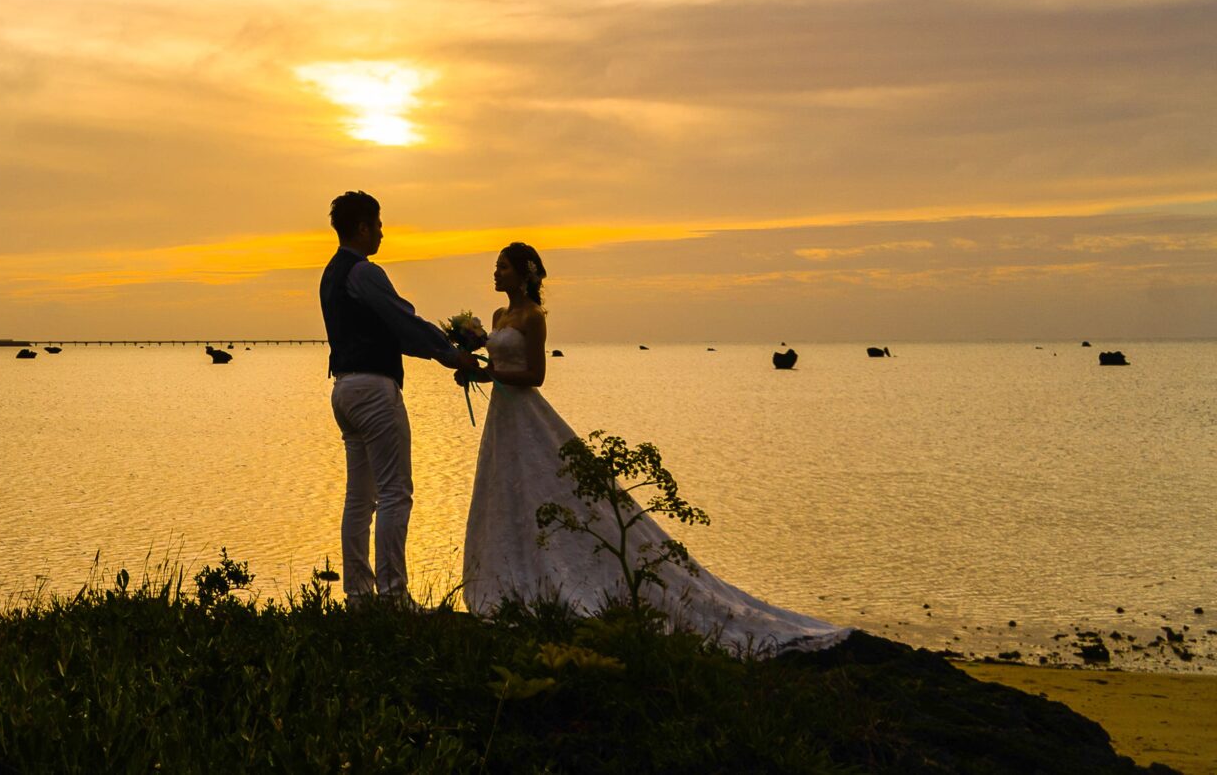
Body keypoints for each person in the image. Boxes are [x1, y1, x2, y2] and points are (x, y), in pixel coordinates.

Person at [459, 242, 848, 654]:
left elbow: (535, 375)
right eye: (495, 267)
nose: (495, 273)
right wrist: (477, 370)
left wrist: (486, 372)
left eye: (501, 267)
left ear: (523, 273)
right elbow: (498, 369)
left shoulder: (533, 317)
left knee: (542, 487)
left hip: (525, 412)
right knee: (505, 490)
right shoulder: (498, 317)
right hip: (501, 416)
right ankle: (511, 575)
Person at [321, 189, 475, 604]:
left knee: (359, 497)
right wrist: (450, 353)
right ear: (363, 227)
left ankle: (358, 595)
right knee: (394, 492)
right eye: (380, 225)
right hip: (373, 390)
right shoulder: (363, 272)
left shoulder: (330, 274)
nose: (383, 234)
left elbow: (386, 329)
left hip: (343, 389)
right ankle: (392, 595)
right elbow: (401, 321)